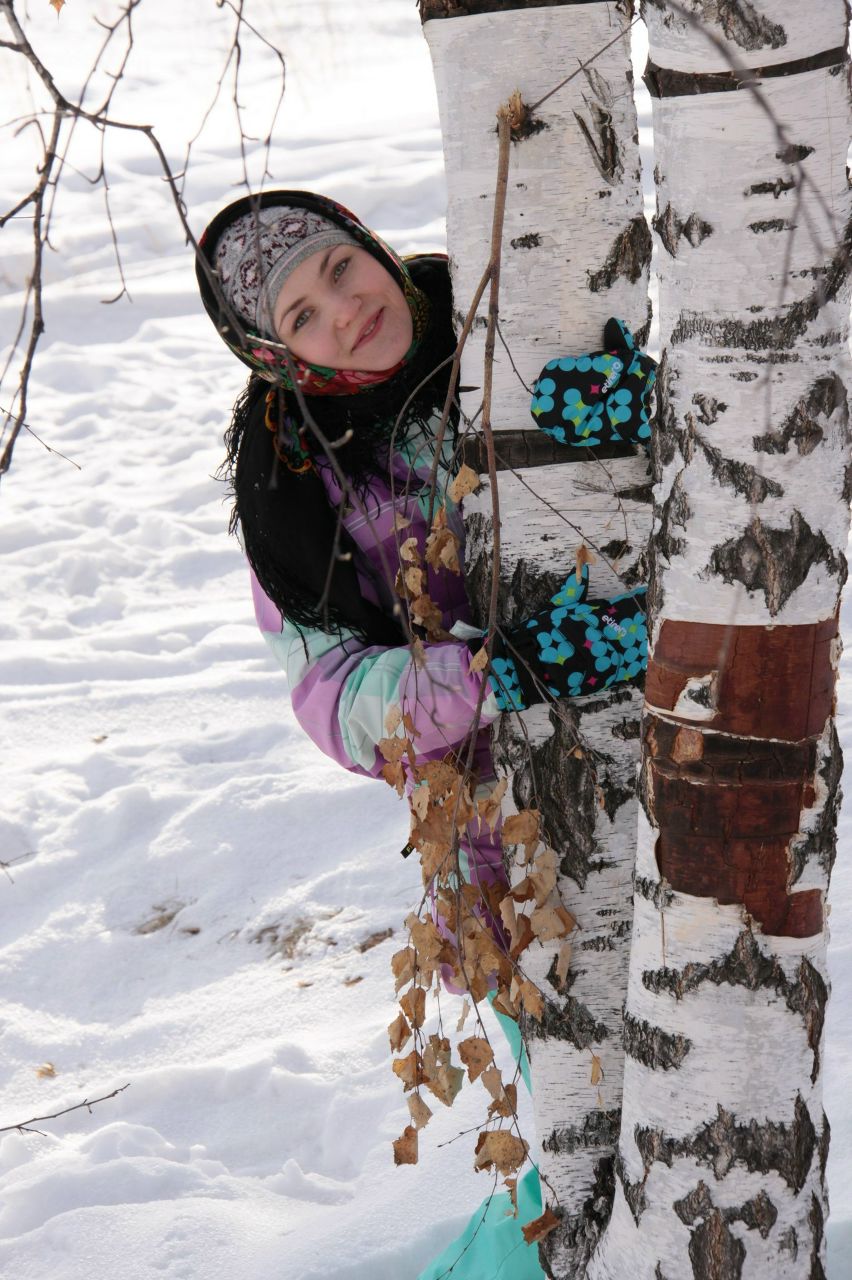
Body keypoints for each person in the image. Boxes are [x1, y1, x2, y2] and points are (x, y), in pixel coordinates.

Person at [195, 189, 654, 1280]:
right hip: (505, 854)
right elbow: (335, 694)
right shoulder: (293, 487)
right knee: (582, 1154)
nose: (343, 312)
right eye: (300, 314)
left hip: (669, 768)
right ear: (274, 355)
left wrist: (641, 412)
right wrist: (496, 677)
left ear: (374, 249)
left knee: (713, 1075)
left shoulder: (511, 318)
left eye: (341, 270)